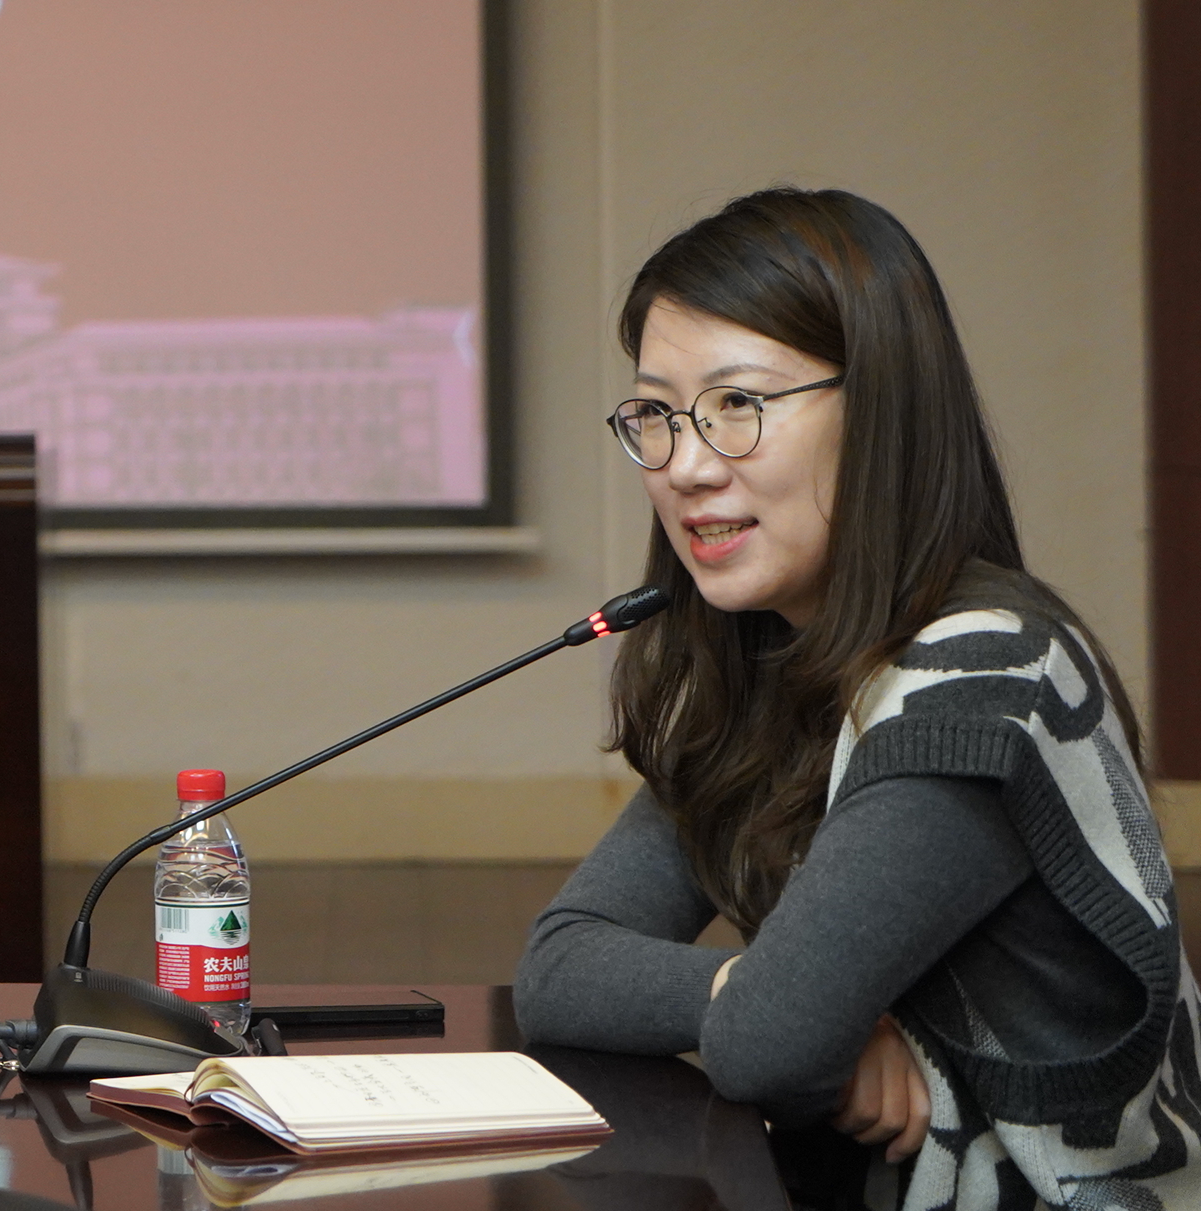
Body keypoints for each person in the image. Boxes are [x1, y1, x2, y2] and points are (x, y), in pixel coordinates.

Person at [513, 188, 1200, 1209]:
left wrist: (786, 1017)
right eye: (657, 414)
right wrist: (744, 991)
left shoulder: (981, 673)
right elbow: (558, 967)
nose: (686, 466)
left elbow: (772, 1046)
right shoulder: (767, 661)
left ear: (880, 411)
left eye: (738, 404)